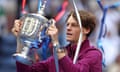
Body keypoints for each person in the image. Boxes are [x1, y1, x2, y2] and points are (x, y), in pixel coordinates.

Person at [12, 10, 102, 72]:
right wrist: (21, 41)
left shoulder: (94, 54)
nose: (68, 28)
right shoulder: (59, 55)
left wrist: (56, 43)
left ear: (86, 30)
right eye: (67, 25)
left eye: (74, 25)